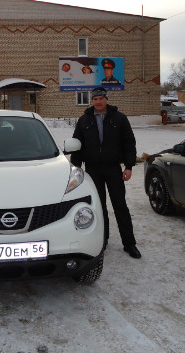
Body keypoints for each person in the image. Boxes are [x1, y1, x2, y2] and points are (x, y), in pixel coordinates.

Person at [70, 87, 141, 258]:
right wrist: (75, 168)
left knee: (120, 205)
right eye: (95, 99)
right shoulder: (84, 120)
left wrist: (129, 166)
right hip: (93, 170)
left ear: (106, 99)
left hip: (113, 168)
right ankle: (102, 240)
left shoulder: (120, 118)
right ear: (92, 101)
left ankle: (129, 243)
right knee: (98, 207)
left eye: (101, 98)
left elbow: (129, 143)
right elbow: (77, 145)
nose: (98, 102)